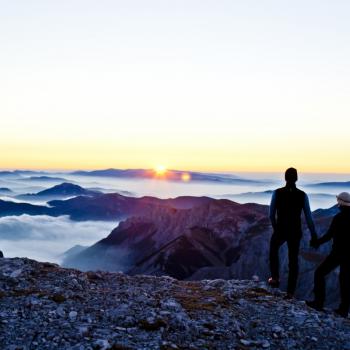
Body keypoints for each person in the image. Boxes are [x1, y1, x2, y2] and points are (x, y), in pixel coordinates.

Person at [268, 167, 318, 298]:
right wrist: (314, 236)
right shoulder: (302, 195)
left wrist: (275, 228)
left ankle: (275, 278)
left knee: (273, 250)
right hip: (295, 231)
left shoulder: (277, 193)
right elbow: (309, 218)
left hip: (280, 229)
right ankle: (290, 292)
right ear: (296, 178)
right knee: (293, 260)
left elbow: (271, 215)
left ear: (285, 178)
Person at [306, 192, 350, 318]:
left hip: (338, 253)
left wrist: (315, 242)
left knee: (319, 273)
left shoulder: (339, 218)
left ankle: (318, 303)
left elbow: (328, 236)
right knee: (345, 281)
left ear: (340, 202)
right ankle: (344, 310)